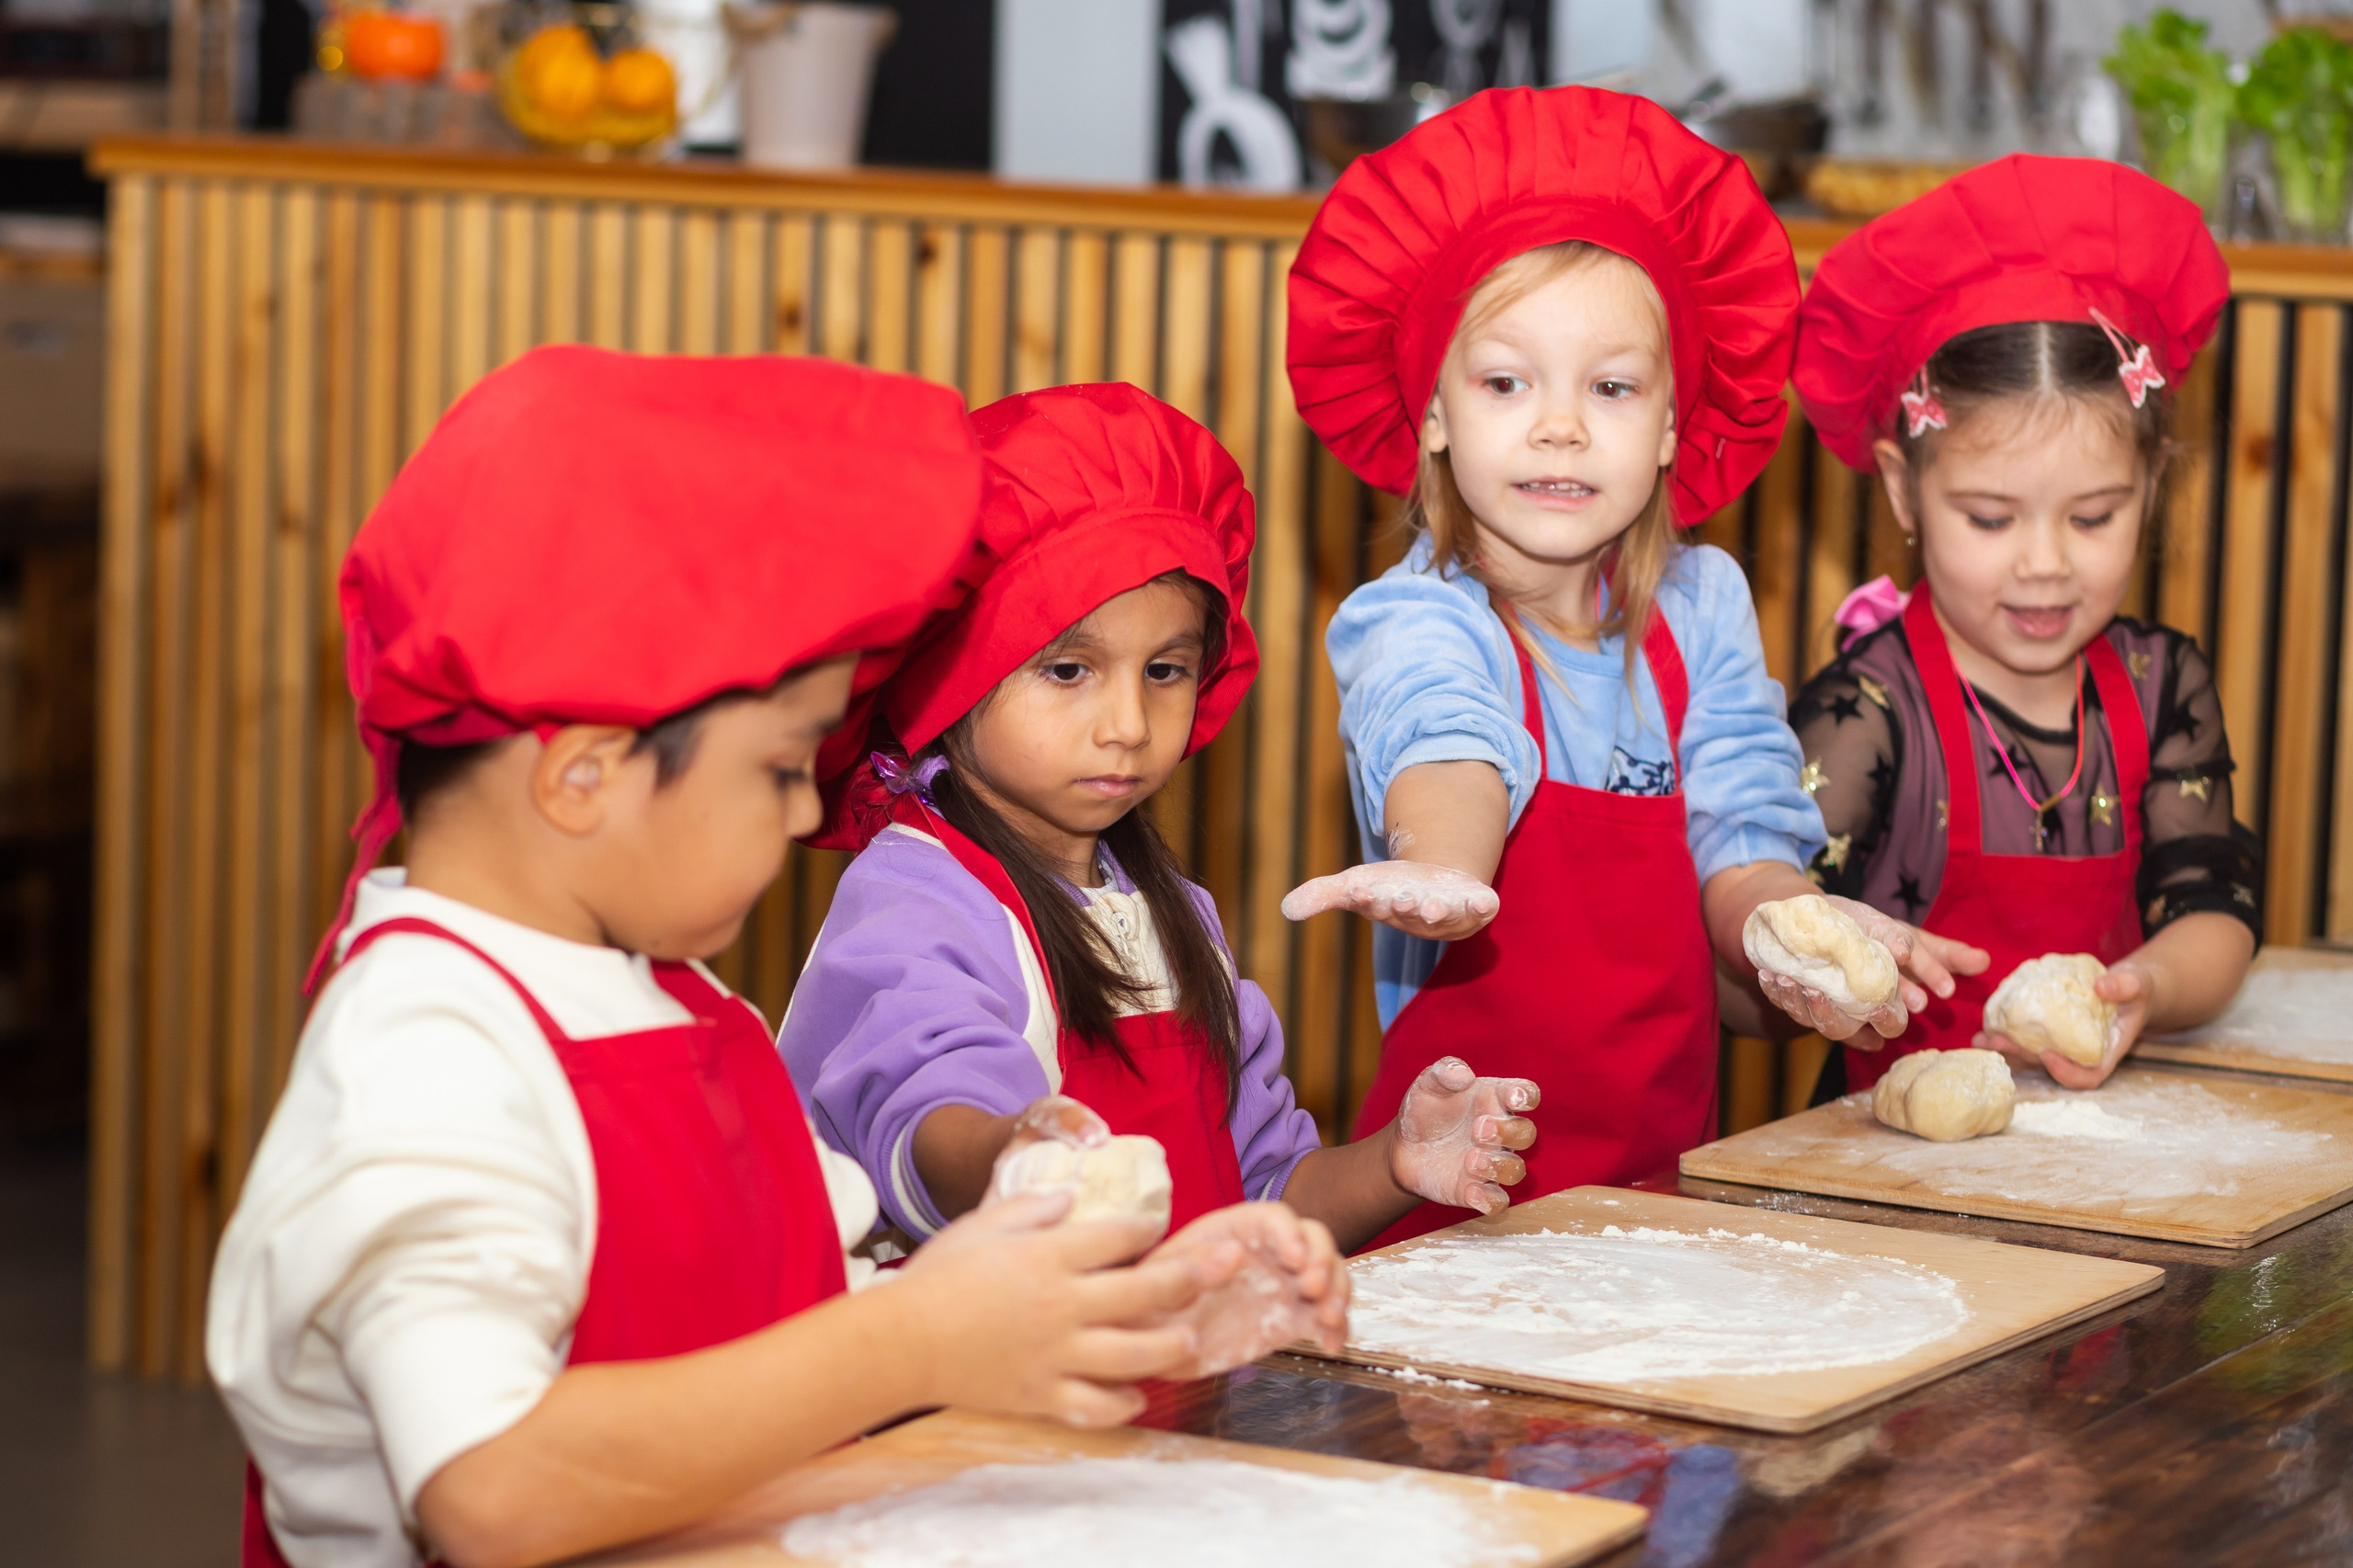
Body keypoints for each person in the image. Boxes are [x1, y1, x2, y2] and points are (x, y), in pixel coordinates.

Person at [208, 348, 1344, 1568]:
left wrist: (1105, 1303)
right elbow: (490, 1491)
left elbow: (808, 1319)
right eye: (779, 767)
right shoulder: (426, 1050)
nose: (810, 816)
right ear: (582, 773)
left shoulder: (687, 1006)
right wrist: (916, 1338)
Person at [1279, 85, 1919, 1245]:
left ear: (1673, 423)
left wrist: (1800, 930)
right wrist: (1446, 866)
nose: (1561, 426)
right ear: (1432, 410)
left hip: (1662, 1198)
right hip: (1456, 1220)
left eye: (1611, 387)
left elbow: (1740, 829)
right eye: (1506, 382)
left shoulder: (1702, 610)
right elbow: (1444, 741)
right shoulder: (1417, 618)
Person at [782, 381, 1539, 1257]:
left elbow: (1261, 1197)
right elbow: (921, 1116)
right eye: (1069, 670)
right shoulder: (916, 903)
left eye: (1166, 671)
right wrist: (1014, 1155)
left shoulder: (1169, 912)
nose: (1130, 725)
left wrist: (1393, 1163)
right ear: (949, 682)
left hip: (1188, 1383)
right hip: (1002, 1391)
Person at [1788, 153, 2261, 1096]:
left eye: (2092, 517)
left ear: (2151, 486)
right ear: (1902, 489)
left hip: (2111, 1158)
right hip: (1884, 1168)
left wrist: (2148, 987)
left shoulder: (2163, 682)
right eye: (1991, 519)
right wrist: (1820, 965)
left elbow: (2216, 907)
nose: (2044, 562)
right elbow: (1764, 943)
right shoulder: (1870, 709)